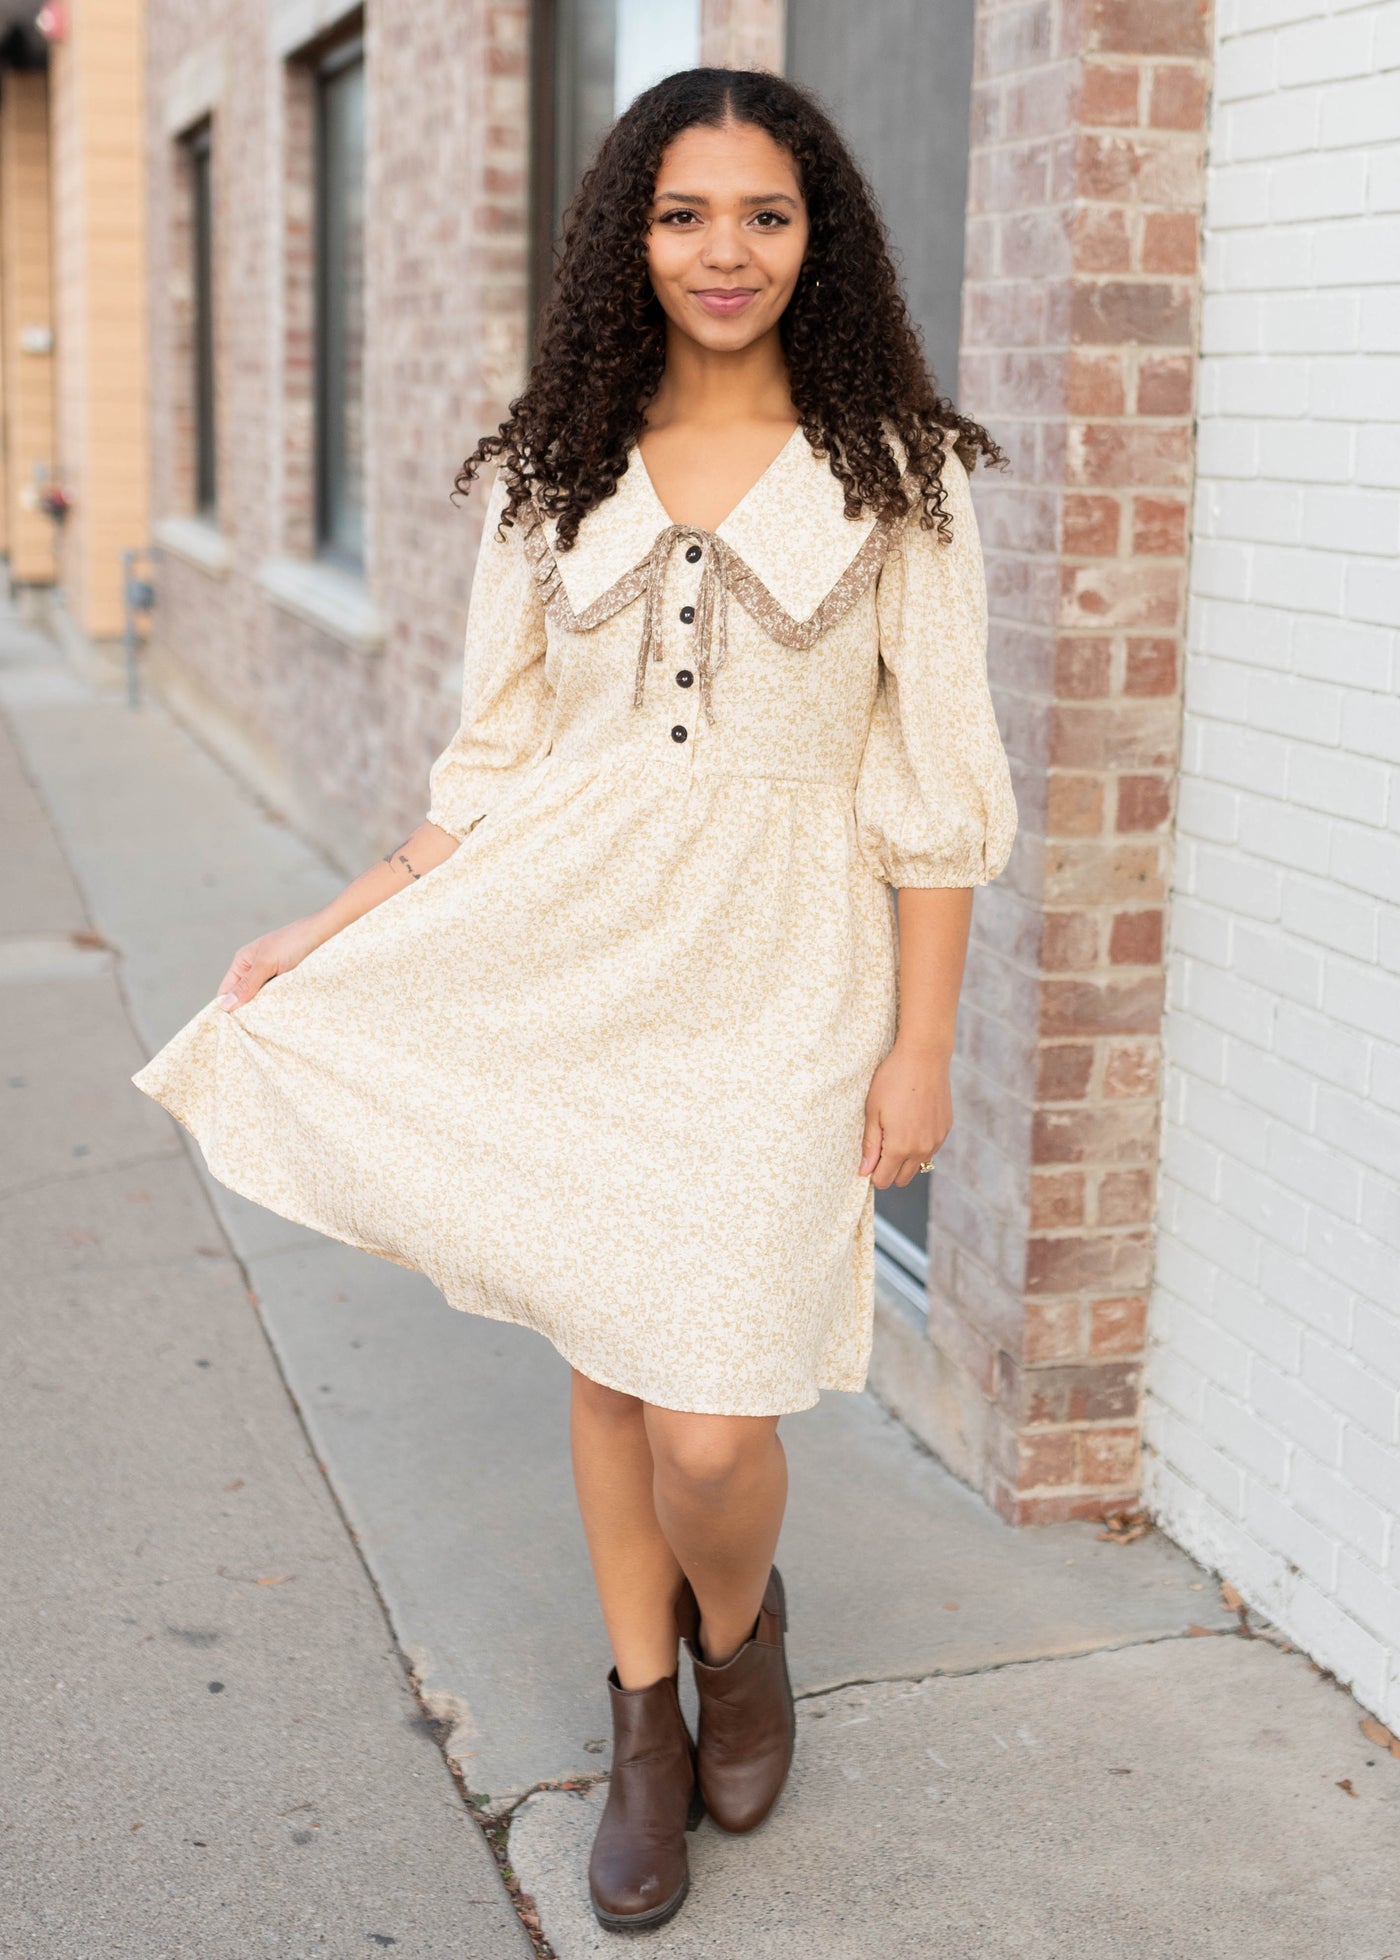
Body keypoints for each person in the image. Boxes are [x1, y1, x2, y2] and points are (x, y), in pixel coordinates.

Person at [131, 66, 1016, 1936]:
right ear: (631, 232)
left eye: (765, 214)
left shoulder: (903, 475)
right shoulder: (553, 464)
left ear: (818, 236)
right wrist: (334, 924)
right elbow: (495, 766)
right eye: (685, 213)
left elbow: (936, 791)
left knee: (714, 1413)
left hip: (787, 969)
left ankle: (737, 1631)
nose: (725, 251)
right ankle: (644, 1728)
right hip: (576, 948)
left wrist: (923, 1040)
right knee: (613, 1366)